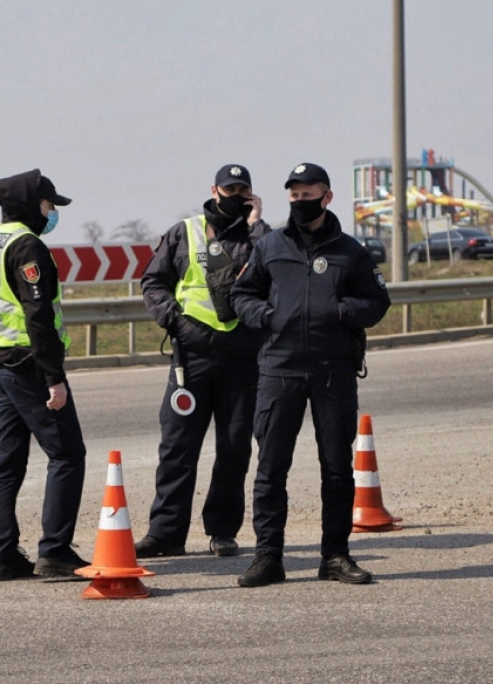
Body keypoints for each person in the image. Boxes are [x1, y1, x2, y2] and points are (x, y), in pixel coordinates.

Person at [230, 162, 391, 587]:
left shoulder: (350, 250)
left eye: (308, 194)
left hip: (332, 370)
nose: (301, 202)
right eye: (294, 195)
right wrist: (267, 316)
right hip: (278, 369)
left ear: (327, 196)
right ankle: (268, 557)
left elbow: (377, 301)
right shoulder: (270, 247)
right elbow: (240, 295)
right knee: (270, 470)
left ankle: (335, 556)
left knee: (337, 468)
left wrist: (339, 312)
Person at [134, 164, 268, 558]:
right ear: (214, 190)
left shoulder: (260, 236)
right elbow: (153, 281)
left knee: (234, 447)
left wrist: (257, 225)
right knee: (178, 446)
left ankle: (223, 531)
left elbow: (274, 271)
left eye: (243, 189)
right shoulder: (185, 231)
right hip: (190, 357)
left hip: (243, 356)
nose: (235, 195)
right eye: (229, 188)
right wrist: (172, 318)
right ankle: (165, 534)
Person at [0, 168, 89, 581]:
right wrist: (54, 377)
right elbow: (38, 315)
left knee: (5, 465)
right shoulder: (28, 247)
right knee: (67, 455)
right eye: (48, 205)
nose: (52, 212)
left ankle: (3, 555)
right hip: (29, 367)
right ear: (30, 205)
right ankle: (55, 551)